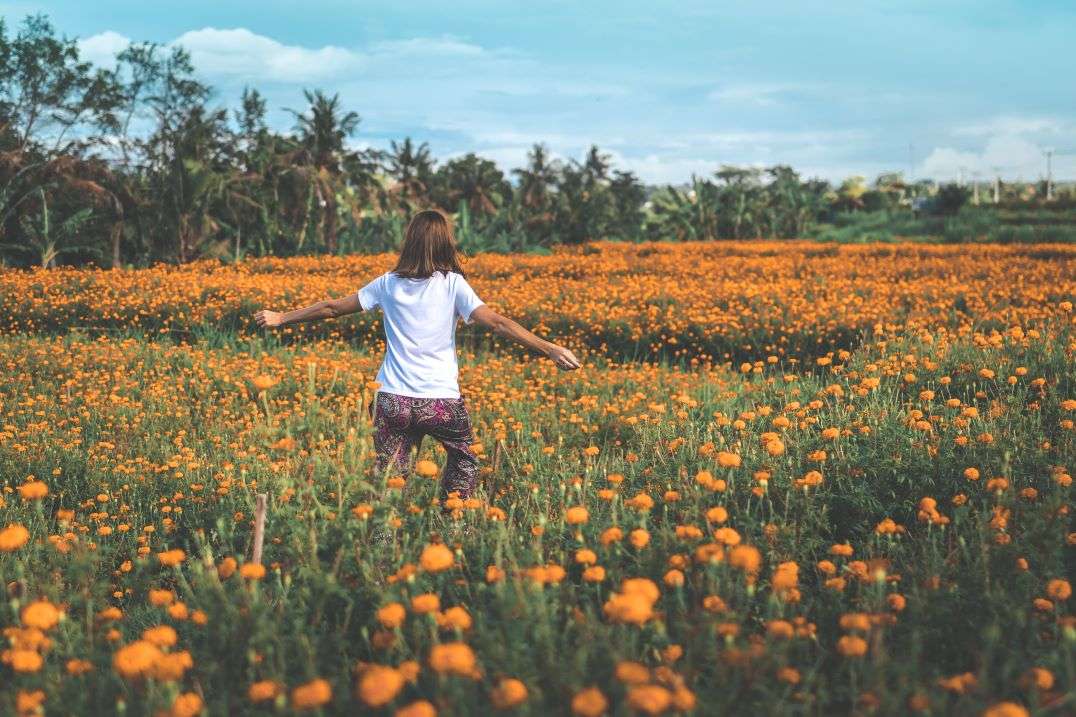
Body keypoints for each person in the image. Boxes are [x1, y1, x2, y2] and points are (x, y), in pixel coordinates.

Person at [254, 209, 580, 501]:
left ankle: (382, 546)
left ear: (409, 241)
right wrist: (549, 348)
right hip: (440, 402)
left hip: (392, 399)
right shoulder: (453, 284)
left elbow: (331, 309)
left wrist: (282, 317)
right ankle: (453, 525)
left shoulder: (387, 283)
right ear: (445, 244)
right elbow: (497, 323)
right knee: (465, 458)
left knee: (389, 480)